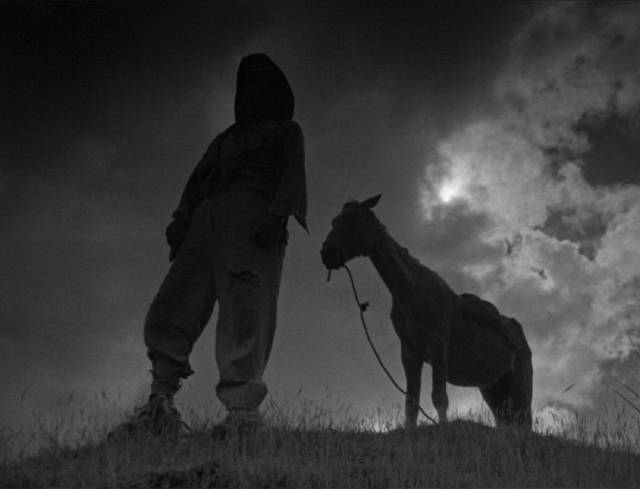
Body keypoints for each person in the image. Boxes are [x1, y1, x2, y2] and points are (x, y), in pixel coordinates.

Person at [111, 53, 307, 439]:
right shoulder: (226, 139)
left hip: (253, 221)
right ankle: (160, 402)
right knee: (177, 300)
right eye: (245, 85)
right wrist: (183, 218)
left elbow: (292, 176)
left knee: (246, 306)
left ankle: (241, 413)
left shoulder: (286, 132)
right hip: (207, 221)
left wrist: (276, 215)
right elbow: (198, 180)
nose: (250, 93)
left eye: (259, 85)